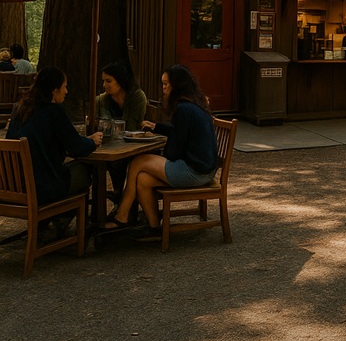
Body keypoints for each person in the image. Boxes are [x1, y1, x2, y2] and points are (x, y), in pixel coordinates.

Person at [104, 65, 218, 241]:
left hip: (194, 171)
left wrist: (159, 156)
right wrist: (157, 127)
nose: (163, 89)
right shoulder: (194, 105)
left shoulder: (183, 109)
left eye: (166, 84)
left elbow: (173, 152)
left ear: (176, 86)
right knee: (142, 178)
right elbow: (180, 132)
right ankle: (154, 226)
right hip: (204, 169)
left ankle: (123, 215)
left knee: (138, 162)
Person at [6, 67, 102, 207]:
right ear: (54, 90)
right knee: (84, 171)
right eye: (64, 86)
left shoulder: (19, 109)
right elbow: (76, 147)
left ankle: (56, 219)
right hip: (41, 188)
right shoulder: (53, 112)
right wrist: (92, 141)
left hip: (13, 186)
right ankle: (61, 218)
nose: (66, 91)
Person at [95, 61, 149, 198]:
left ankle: (123, 199)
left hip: (133, 146)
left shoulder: (137, 97)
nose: (104, 85)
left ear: (120, 80)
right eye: (103, 81)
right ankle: (99, 208)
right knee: (93, 165)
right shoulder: (103, 100)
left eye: (109, 81)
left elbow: (131, 127)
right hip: (110, 147)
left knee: (118, 161)